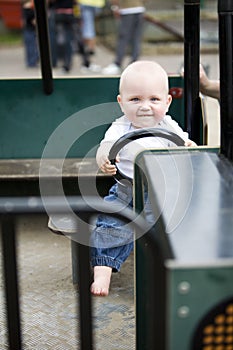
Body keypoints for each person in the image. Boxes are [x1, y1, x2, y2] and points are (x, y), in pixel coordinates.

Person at [90, 60, 197, 296]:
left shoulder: (168, 125)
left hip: (162, 192)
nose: (145, 107)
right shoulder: (121, 127)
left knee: (170, 230)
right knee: (109, 223)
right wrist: (104, 159)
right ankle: (102, 271)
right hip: (126, 189)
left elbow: (184, 145)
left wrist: (188, 147)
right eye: (135, 99)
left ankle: (169, 271)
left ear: (167, 102)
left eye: (154, 99)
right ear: (121, 102)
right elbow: (106, 146)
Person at [102, 0, 146, 75]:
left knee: (123, 38)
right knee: (136, 38)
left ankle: (117, 63)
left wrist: (115, 7)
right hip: (139, 9)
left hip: (127, 10)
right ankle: (134, 63)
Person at [78, 0, 105, 72]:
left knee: (88, 30)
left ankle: (88, 61)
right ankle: (89, 60)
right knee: (90, 29)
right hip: (98, 4)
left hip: (85, 3)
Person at [53, 0, 75, 73]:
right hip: (69, 13)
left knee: (60, 38)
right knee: (68, 38)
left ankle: (60, 60)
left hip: (59, 13)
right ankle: (67, 61)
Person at [22, 0, 39, 68]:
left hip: (29, 29)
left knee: (31, 46)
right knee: (31, 46)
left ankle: (32, 61)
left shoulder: (27, 7)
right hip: (30, 29)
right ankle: (32, 62)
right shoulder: (28, 7)